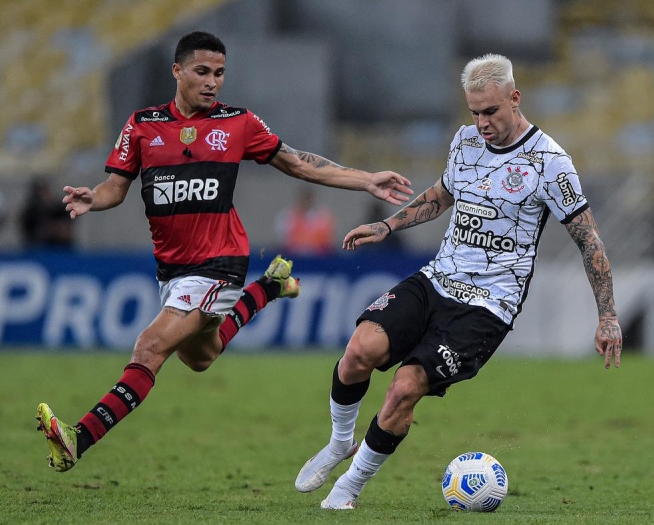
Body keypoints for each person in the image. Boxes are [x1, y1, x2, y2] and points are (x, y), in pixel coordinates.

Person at [35, 31, 412, 473]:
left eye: (219, 73)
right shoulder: (142, 125)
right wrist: (91, 199)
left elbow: (298, 162)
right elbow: (115, 187)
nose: (212, 82)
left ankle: (79, 437)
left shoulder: (239, 123)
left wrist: (365, 179)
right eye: (202, 72)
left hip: (220, 263)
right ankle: (269, 288)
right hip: (172, 268)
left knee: (149, 348)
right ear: (177, 71)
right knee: (201, 356)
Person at [294, 53, 622, 510]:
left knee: (405, 388)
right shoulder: (466, 141)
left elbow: (589, 240)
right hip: (437, 278)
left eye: (491, 111)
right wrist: (386, 226)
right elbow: (443, 194)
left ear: (515, 98)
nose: (482, 123)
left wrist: (607, 315)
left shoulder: (550, 162)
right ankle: (338, 442)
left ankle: (348, 487)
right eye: (475, 112)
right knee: (358, 351)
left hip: (488, 305)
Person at [274, 188, 337, 256]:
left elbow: (329, 237)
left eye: (309, 199)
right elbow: (283, 238)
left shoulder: (323, 216)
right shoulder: (288, 216)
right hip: (294, 255)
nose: (307, 201)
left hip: (319, 256)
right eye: (305, 199)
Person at [20, 176, 74, 248]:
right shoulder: (30, 212)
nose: (44, 195)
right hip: (38, 249)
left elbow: (65, 231)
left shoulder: (61, 209)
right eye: (41, 192)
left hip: (62, 249)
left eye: (46, 191)